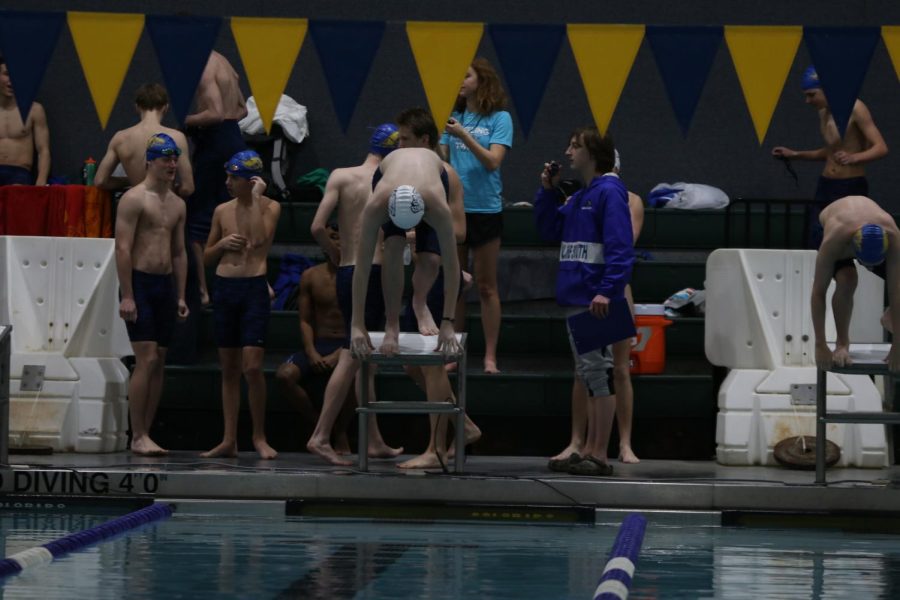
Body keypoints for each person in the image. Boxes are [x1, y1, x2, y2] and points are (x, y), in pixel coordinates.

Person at [534, 127, 634, 476]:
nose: (568, 151)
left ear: (593, 153)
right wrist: (547, 191)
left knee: (598, 372)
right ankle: (590, 449)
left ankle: (599, 454)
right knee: (588, 373)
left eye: (575, 146)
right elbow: (549, 230)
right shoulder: (580, 197)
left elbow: (621, 247)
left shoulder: (609, 192)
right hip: (580, 297)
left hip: (597, 298)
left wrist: (607, 289)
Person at [305, 124, 404, 466]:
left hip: (347, 271)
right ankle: (320, 436)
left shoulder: (341, 176)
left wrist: (335, 254)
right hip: (375, 274)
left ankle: (373, 438)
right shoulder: (390, 183)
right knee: (352, 353)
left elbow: (317, 226)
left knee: (366, 361)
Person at [388, 107, 481, 468]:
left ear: (424, 141)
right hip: (419, 279)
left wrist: (421, 221)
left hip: (440, 275)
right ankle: (465, 425)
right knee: (413, 364)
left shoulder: (447, 176)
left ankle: (436, 450)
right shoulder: (403, 173)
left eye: (407, 140)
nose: (401, 147)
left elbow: (458, 232)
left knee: (431, 364)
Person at [201, 150, 280, 459]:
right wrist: (220, 245)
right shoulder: (222, 210)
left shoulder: (272, 207)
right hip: (225, 288)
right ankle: (229, 439)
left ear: (252, 181)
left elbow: (259, 241)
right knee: (229, 369)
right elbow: (207, 258)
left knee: (253, 367)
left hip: (253, 289)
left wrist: (255, 202)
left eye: (234, 177)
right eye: (228, 176)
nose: (228, 182)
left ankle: (259, 436)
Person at [115, 133, 190, 455]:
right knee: (145, 359)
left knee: (158, 361)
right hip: (140, 284)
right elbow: (123, 248)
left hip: (165, 286)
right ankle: (137, 434)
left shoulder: (178, 204)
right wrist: (128, 294)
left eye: (175, 158)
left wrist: (181, 295)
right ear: (150, 161)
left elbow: (179, 252)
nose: (172, 164)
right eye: (166, 159)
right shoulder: (134, 198)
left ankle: (145, 433)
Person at [440, 57, 513, 373]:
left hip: (486, 209)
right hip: (456, 209)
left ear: (481, 80)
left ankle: (490, 355)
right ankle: (454, 353)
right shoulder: (452, 116)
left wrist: (463, 137)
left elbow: (493, 161)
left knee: (485, 285)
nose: (460, 80)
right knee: (455, 283)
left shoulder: (500, 118)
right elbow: (442, 161)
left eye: (465, 75)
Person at [772, 66, 888, 249]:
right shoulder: (823, 112)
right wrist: (795, 154)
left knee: (845, 244)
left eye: (812, 95)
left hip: (850, 185)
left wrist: (855, 157)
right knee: (817, 239)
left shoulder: (855, 108)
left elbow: (881, 147)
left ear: (828, 90)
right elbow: (830, 151)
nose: (807, 101)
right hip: (826, 185)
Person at [275, 224, 354, 452]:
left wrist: (338, 355)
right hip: (319, 344)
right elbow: (305, 320)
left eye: (341, 237)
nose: (337, 242)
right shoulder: (311, 276)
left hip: (348, 346)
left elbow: (365, 323)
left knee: (357, 376)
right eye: (332, 237)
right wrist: (311, 351)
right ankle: (320, 427)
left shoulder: (360, 276)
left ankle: (340, 433)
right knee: (284, 375)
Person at [185, 50, 249, 306]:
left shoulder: (202, 65)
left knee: (196, 221)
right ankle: (247, 281)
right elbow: (243, 110)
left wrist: (184, 121)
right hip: (235, 139)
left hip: (215, 142)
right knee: (236, 214)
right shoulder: (226, 63)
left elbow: (215, 113)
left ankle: (202, 291)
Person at [812, 195, 900, 372]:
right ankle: (842, 343)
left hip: (861, 225)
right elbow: (818, 293)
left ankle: (890, 318)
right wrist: (820, 344)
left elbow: (895, 289)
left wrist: (898, 345)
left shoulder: (893, 235)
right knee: (847, 278)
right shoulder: (834, 239)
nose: (869, 268)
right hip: (827, 226)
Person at [95, 83, 194, 197]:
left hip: (135, 204)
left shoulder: (120, 138)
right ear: (166, 107)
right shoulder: (176, 137)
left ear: (137, 107)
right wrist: (171, 193)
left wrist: (128, 181)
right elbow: (188, 188)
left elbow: (100, 181)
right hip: (164, 208)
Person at [0, 56, 50, 185]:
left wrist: (41, 180)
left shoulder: (34, 110)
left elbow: (43, 150)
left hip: (19, 174)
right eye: (6, 74)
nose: (11, 81)